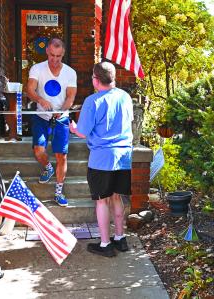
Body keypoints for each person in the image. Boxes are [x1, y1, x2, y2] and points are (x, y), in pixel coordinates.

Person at [70, 61, 133, 257]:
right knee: (117, 197)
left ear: (96, 80)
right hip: (123, 156)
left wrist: (73, 128)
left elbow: (82, 132)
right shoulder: (125, 97)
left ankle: (105, 244)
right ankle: (120, 238)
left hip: (102, 158)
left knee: (101, 201)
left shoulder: (93, 101)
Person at [26, 38, 77, 207]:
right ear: (47, 51)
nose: (55, 60)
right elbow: (30, 89)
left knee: (61, 155)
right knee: (39, 150)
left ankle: (58, 192)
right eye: (52, 55)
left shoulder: (70, 72)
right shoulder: (37, 68)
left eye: (59, 56)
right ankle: (48, 167)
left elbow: (70, 97)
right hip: (41, 116)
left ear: (63, 54)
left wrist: (61, 110)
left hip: (61, 118)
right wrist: (40, 99)